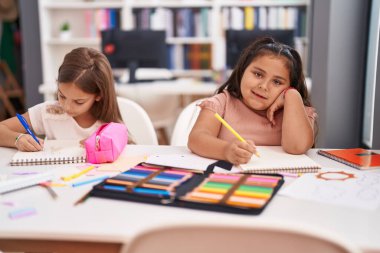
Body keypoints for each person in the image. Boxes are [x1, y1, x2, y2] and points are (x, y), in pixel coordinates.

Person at [188, 37, 317, 165]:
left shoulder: (296, 110)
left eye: (277, 82)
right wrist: (226, 150)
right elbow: (196, 139)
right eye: (258, 74)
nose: (263, 86)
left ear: (289, 86)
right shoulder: (222, 103)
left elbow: (297, 148)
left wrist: (292, 95)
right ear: (243, 70)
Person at [0, 47, 125, 151]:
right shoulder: (48, 112)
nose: (67, 107)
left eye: (79, 102)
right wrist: (17, 139)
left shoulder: (109, 125)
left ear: (99, 95)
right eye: (62, 96)